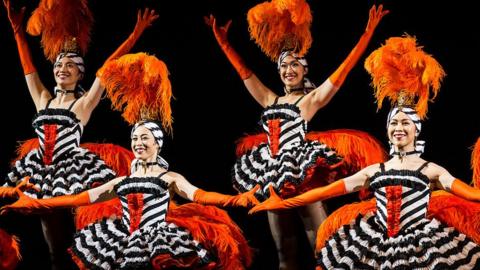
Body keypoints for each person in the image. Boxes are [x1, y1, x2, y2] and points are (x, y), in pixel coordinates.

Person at [249, 36, 480, 269]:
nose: (398, 128)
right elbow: (324, 192)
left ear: (416, 129)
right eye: (394, 124)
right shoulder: (375, 171)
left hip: (420, 245)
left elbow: (471, 194)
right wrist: (283, 204)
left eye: (405, 123)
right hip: (378, 241)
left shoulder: (431, 170)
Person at [206, 1, 388, 268]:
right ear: (279, 71)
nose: (289, 70)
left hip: (301, 172)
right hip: (270, 173)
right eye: (284, 66)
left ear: (304, 70)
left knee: (321, 242)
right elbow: (244, 72)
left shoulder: (310, 101)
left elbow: (344, 70)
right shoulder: (271, 99)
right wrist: (223, 43)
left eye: (295, 65)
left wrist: (367, 34)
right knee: (284, 249)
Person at [2, 0, 158, 268]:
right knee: (52, 238)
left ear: (79, 74)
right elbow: (28, 68)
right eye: (59, 65)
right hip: (41, 168)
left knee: (73, 237)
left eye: (70, 66)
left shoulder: (82, 105)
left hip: (72, 171)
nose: (62, 69)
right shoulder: (44, 99)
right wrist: (17, 31)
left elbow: (107, 68)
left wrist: (135, 34)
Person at [2, 119, 258, 269]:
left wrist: (234, 199)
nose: (138, 143)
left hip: (158, 240)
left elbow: (199, 195)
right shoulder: (122, 180)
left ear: (158, 143)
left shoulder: (169, 178)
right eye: (135, 137)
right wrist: (37, 203)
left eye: (144, 137)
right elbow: (79, 198)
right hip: (122, 239)